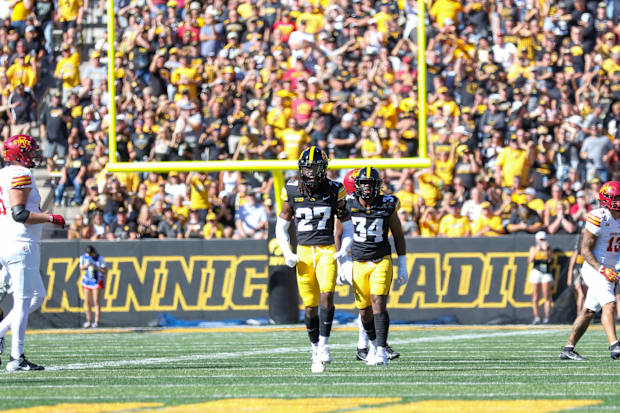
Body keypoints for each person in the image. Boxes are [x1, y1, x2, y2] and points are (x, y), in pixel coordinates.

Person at [275, 146, 352, 373]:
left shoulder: (334, 189)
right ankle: (314, 348)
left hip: (326, 249)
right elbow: (281, 226)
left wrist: (344, 251)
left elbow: (347, 227)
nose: (309, 172)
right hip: (304, 251)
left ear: (323, 169)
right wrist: (287, 252)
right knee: (310, 306)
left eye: (314, 168)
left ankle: (325, 345)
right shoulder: (291, 188)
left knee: (327, 293)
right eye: (306, 168)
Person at [0, 134, 66, 371]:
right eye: (29, 151)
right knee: (23, 299)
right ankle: (16, 358)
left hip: (9, 242)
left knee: (36, 296)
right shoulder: (21, 173)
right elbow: (19, 214)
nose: (34, 156)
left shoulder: (4, 173)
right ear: (19, 153)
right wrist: (51, 217)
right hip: (21, 243)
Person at [344, 167, 408, 365]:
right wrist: (342, 262)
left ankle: (380, 349)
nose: (367, 188)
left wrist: (403, 263)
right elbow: (339, 233)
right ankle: (370, 345)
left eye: (371, 184)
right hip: (358, 261)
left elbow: (397, 234)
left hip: (381, 259)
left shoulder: (387, 204)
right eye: (363, 184)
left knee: (378, 300)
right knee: (364, 310)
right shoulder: (348, 205)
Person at [560, 181, 620, 361]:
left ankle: (568, 348)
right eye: (617, 198)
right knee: (609, 304)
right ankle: (615, 346)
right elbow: (585, 250)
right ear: (607, 199)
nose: (619, 201)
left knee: (588, 311)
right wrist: (602, 269)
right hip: (594, 268)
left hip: (609, 268)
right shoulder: (599, 217)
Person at [529, 231, 553, 324]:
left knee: (547, 296)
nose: (541, 241)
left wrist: (546, 250)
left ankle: (547, 318)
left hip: (546, 272)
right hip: (536, 272)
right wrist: (537, 250)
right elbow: (530, 260)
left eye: (543, 239)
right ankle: (537, 317)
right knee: (535, 297)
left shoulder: (548, 248)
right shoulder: (533, 248)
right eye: (540, 239)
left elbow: (550, 260)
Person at [79, 245, 106, 328]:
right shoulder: (84, 257)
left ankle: (96, 321)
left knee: (96, 302)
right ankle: (88, 321)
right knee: (87, 302)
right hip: (87, 281)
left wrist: (96, 267)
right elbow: (81, 267)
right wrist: (87, 266)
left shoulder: (99, 258)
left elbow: (104, 271)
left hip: (96, 281)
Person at [568, 231, 588, 315]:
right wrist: (569, 278)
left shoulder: (590, 248)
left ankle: (583, 315)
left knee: (585, 296)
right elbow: (571, 264)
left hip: (586, 272)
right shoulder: (578, 249)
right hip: (578, 272)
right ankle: (579, 314)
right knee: (581, 295)